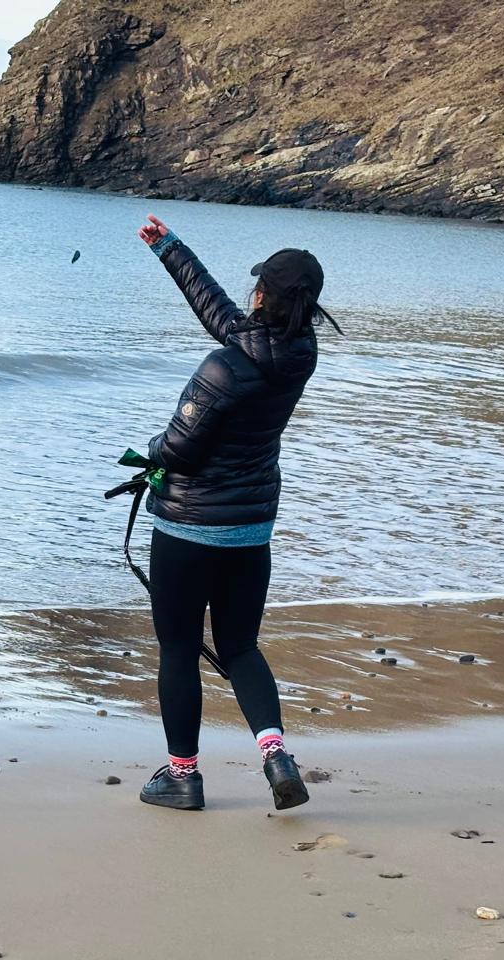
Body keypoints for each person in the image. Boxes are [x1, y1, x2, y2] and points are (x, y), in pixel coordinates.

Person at [134, 214, 340, 813]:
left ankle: (182, 777)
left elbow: (178, 448)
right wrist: (170, 249)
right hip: (250, 527)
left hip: (189, 529)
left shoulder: (222, 368)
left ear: (263, 296)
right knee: (241, 646)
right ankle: (276, 755)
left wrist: (146, 458)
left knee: (177, 648)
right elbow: (223, 316)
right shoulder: (299, 352)